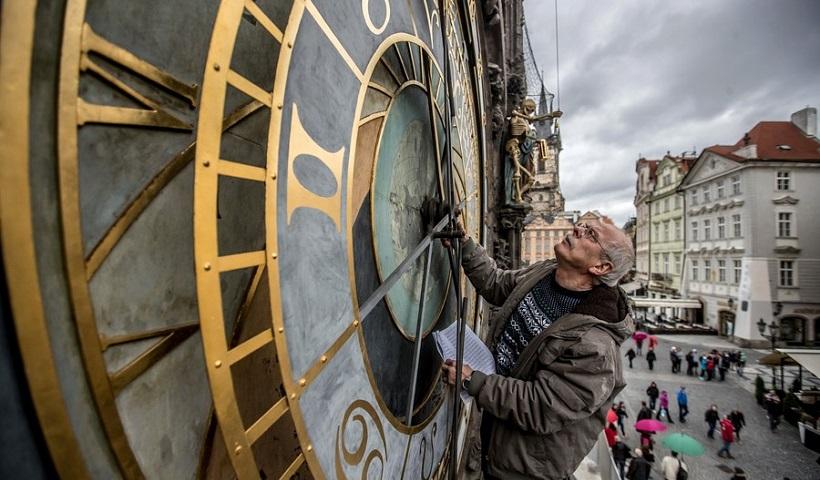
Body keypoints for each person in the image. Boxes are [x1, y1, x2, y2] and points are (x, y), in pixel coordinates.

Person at [441, 218, 635, 480]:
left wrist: (472, 381)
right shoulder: (548, 273)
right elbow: (498, 285)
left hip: (524, 466)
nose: (577, 229)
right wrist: (464, 246)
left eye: (590, 234)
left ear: (601, 267)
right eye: (583, 224)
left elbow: (540, 405)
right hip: (495, 428)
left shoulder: (595, 346)